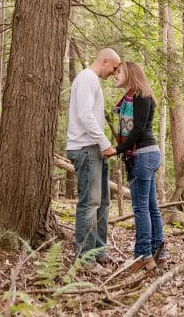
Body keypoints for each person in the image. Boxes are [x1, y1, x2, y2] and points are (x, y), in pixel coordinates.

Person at [66, 48, 121, 266]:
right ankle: (85, 258)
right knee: (90, 204)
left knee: (103, 203)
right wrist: (105, 143)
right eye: (114, 68)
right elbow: (85, 116)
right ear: (105, 61)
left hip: (95, 150)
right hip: (86, 148)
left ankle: (98, 252)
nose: (114, 73)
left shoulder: (92, 81)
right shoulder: (87, 78)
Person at [113, 60, 166, 272]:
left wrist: (117, 150)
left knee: (141, 207)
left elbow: (138, 130)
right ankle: (158, 254)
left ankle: (143, 255)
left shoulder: (141, 96)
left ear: (131, 73)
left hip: (144, 155)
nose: (116, 75)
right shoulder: (129, 98)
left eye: (119, 72)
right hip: (143, 156)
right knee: (151, 207)